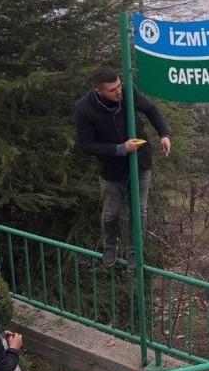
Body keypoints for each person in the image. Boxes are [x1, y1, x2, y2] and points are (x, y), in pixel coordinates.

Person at [74, 66, 172, 268]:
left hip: (140, 161)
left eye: (119, 85)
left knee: (140, 210)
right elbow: (86, 146)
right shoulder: (84, 109)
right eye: (112, 90)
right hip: (112, 169)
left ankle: (135, 253)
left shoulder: (128, 91)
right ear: (98, 91)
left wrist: (164, 134)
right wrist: (120, 149)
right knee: (111, 212)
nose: (119, 91)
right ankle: (109, 247)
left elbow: (151, 109)